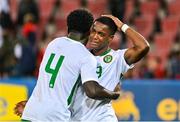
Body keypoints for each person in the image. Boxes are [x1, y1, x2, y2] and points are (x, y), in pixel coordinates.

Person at [19, 9, 120, 121]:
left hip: (31, 111)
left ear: (68, 28)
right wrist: (113, 94)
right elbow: (92, 91)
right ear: (89, 32)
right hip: (55, 116)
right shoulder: (86, 57)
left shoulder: (53, 44)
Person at [70, 15, 150, 121]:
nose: (94, 36)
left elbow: (143, 46)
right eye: (93, 31)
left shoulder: (117, 58)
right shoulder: (81, 56)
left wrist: (122, 26)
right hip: (77, 118)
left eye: (101, 34)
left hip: (102, 118)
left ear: (110, 38)